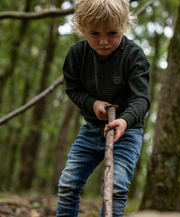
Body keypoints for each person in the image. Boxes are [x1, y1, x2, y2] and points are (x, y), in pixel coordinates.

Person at [56, 0, 151, 216]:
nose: (104, 41)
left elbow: (142, 99)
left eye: (112, 33)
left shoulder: (134, 57)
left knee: (115, 189)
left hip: (127, 133)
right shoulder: (77, 55)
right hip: (92, 129)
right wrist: (93, 103)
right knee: (68, 184)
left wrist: (125, 120)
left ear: (124, 25)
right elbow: (73, 88)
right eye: (95, 33)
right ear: (82, 28)